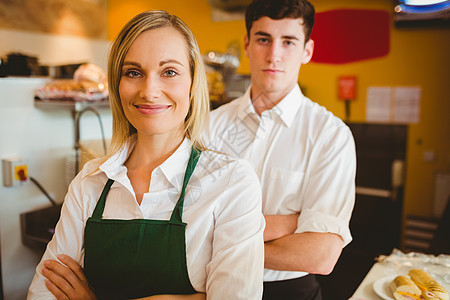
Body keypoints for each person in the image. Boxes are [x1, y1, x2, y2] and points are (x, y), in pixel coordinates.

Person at [27, 10, 265, 300]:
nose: (150, 91)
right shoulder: (90, 182)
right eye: (134, 72)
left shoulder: (231, 181)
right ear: (118, 85)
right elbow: (44, 292)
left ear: (192, 84)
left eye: (169, 72)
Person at [205, 0, 356, 299]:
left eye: (288, 41)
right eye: (264, 39)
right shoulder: (209, 126)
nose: (274, 55)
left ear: (307, 51)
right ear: (247, 44)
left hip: (289, 291)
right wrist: (291, 222)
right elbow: (183, 224)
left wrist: (219, 240)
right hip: (209, 288)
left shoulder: (330, 136)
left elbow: (320, 255)